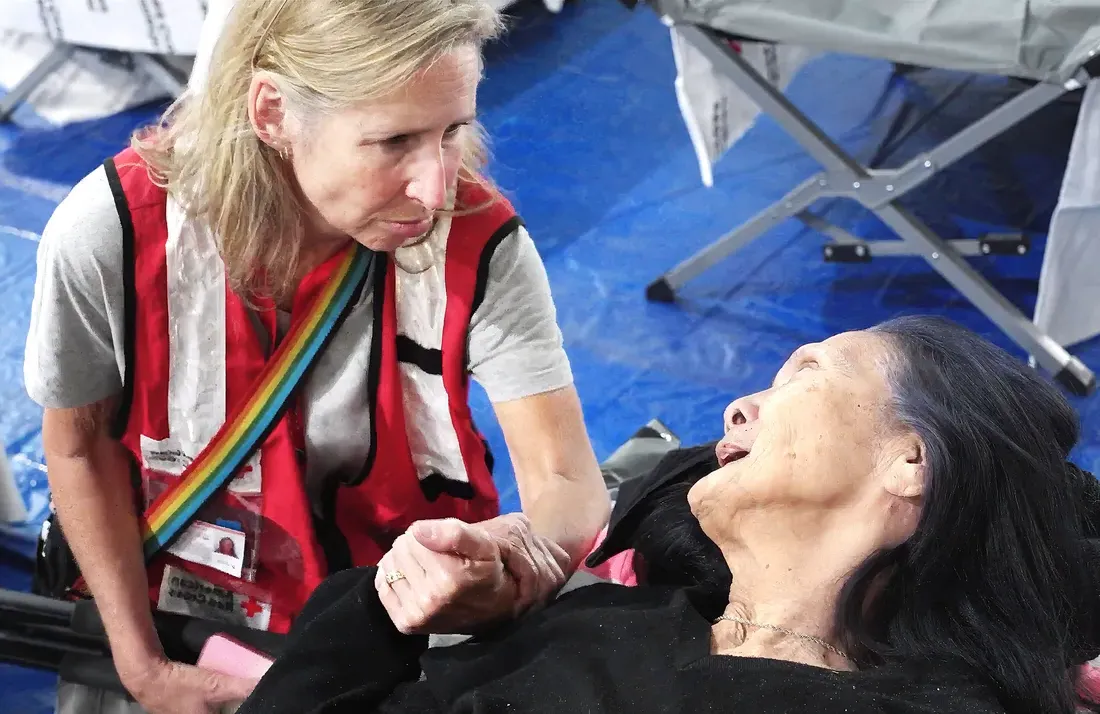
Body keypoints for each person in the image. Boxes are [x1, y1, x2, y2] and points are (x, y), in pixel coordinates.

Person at [22, 0, 611, 712]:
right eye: (394, 141)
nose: (435, 187)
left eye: (452, 131)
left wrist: (514, 566)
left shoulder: (478, 242)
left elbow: (568, 481)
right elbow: (80, 451)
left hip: (388, 643)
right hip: (176, 628)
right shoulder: (113, 233)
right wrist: (141, 665)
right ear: (271, 112)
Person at [236, 316, 1100, 714]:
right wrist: (388, 606)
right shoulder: (608, 616)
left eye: (804, 372)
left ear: (913, 459)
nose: (736, 407)